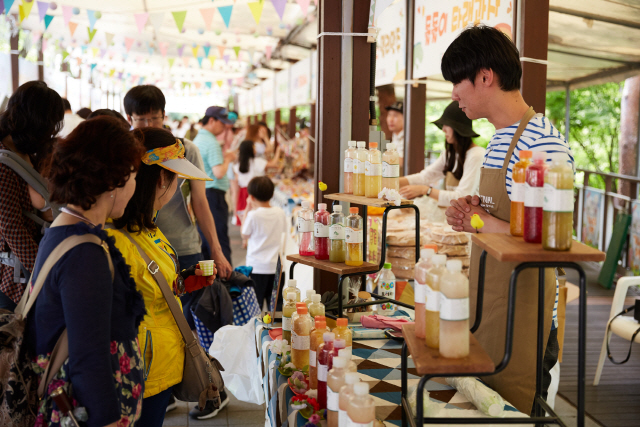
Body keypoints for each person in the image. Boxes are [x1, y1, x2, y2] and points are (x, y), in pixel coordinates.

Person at [441, 25, 573, 414]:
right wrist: (469, 210)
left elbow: (550, 236)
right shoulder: (500, 138)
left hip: (524, 313)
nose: (453, 94)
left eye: (456, 82)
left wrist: (479, 221)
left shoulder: (543, 143)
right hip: (490, 301)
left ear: (485, 77)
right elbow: (502, 213)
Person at [27, 116, 146, 426]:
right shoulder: (84, 252)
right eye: (133, 175)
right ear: (113, 180)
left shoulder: (66, 228)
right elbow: (88, 355)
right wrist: (106, 420)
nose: (135, 185)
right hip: (86, 412)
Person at [123, 86, 233, 416]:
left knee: (182, 317)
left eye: (154, 117)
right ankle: (175, 386)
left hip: (178, 250)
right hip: (143, 370)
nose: (148, 122)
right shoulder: (127, 241)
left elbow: (199, 200)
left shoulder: (183, 151)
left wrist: (209, 253)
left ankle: (190, 386)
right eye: (142, 118)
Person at [106, 127, 219, 427]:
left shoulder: (147, 225)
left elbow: (145, 287)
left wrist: (181, 282)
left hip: (160, 365)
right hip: (142, 371)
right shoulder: (114, 238)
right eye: (177, 181)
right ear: (159, 180)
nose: (177, 190)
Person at [0, 81, 64, 310]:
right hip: (14, 276)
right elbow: (11, 228)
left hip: (30, 263)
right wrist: (44, 270)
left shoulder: (25, 151)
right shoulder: (3, 162)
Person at [399, 101, 484, 206]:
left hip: (473, 218)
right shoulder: (450, 153)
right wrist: (388, 181)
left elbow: (463, 196)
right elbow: (425, 177)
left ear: (458, 129)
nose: (443, 129)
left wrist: (426, 190)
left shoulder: (476, 155)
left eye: (447, 125)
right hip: (455, 215)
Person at [193, 106, 237, 265]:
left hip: (205, 193)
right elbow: (218, 172)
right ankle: (226, 282)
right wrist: (228, 159)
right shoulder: (211, 142)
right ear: (211, 120)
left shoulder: (200, 139)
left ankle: (212, 281)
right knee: (218, 239)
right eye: (222, 123)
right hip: (214, 196)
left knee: (208, 238)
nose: (225, 127)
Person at [241, 176, 287, 311]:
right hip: (277, 267)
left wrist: (247, 208)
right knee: (277, 306)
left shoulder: (253, 215)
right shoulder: (280, 212)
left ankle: (258, 331)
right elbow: (284, 230)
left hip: (256, 268)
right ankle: (278, 330)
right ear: (273, 194)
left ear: (252, 197)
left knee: (255, 306)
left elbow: (244, 234)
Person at [233, 140, 281, 225]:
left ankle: (246, 237)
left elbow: (237, 182)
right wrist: (278, 151)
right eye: (254, 147)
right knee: (257, 219)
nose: (255, 149)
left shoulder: (237, 165)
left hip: (243, 193)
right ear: (250, 150)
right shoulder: (257, 162)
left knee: (245, 220)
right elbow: (273, 163)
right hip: (257, 192)